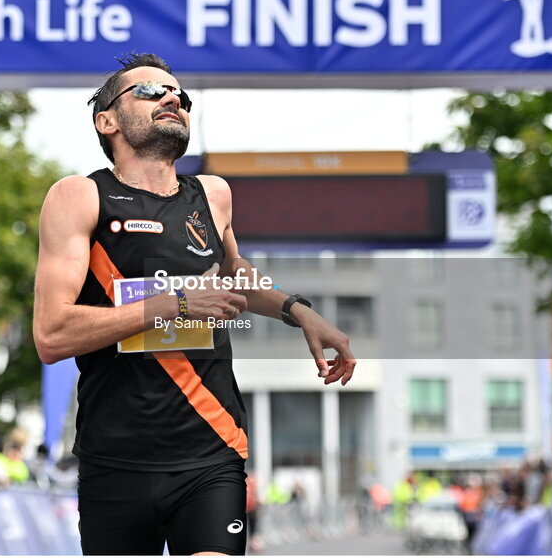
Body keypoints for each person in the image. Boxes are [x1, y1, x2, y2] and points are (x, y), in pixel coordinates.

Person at [33, 52, 355, 555]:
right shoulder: (79, 196)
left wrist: (297, 310)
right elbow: (52, 335)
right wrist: (176, 301)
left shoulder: (213, 195)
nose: (172, 99)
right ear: (108, 120)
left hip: (211, 448)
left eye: (180, 96)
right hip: (116, 458)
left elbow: (234, 277)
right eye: (149, 91)